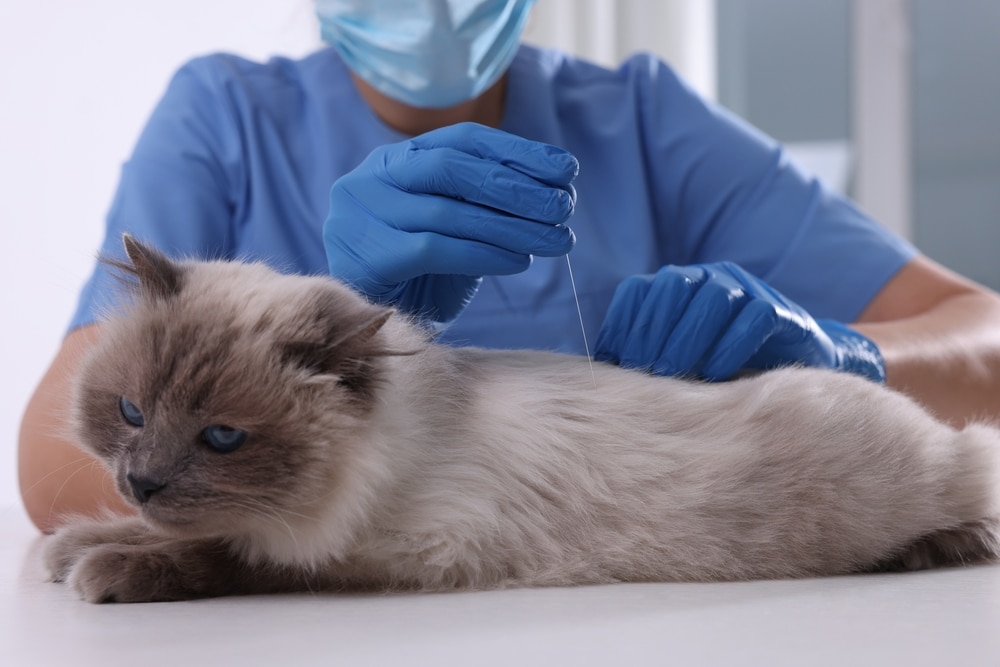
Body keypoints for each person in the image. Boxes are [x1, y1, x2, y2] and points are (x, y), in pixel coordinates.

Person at [19, 0, 1000, 534]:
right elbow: (52, 467)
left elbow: (984, 339)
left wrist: (841, 354)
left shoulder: (646, 123)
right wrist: (314, 341)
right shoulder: (222, 120)